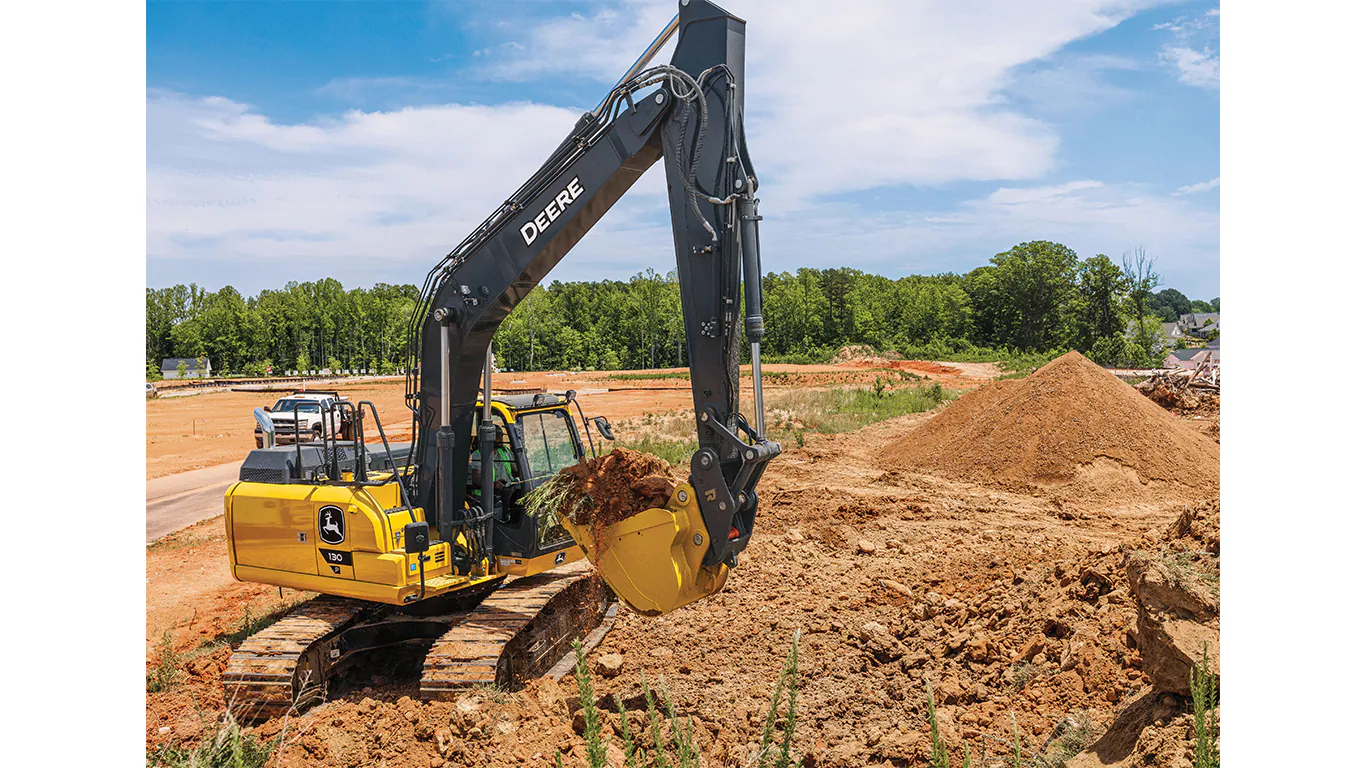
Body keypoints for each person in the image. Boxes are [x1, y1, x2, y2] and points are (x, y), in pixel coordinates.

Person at [468, 428, 516, 497]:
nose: (501, 439)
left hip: (507, 490)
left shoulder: (504, 451)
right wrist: (493, 484)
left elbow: (516, 468)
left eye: (501, 437)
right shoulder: (478, 454)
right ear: (490, 439)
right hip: (486, 496)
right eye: (498, 437)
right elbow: (476, 477)